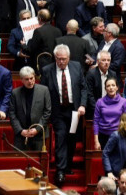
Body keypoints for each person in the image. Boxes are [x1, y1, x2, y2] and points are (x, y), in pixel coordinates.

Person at [40, 44, 87, 185]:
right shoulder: (47, 70)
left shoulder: (76, 66)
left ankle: (67, 166)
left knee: (72, 138)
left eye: (64, 59)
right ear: (55, 58)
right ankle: (60, 170)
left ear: (69, 57)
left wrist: (83, 105)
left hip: (74, 110)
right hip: (58, 111)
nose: (61, 62)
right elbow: (43, 91)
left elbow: (83, 88)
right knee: (60, 137)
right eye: (58, 59)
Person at [9, 66, 52, 151]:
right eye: (27, 79)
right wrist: (20, 130)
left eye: (31, 78)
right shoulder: (15, 93)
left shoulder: (44, 90)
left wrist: (37, 129)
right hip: (21, 135)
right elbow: (12, 114)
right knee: (20, 162)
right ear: (21, 80)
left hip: (39, 135)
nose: (30, 81)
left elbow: (47, 112)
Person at [95, 77, 126, 151]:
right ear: (105, 89)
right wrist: (96, 141)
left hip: (119, 135)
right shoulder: (100, 102)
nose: (111, 88)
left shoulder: (124, 102)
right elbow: (96, 122)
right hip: (103, 136)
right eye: (108, 86)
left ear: (117, 87)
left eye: (113, 85)